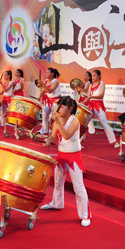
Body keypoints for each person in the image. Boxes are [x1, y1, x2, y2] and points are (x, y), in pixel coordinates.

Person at [41, 96, 91, 227]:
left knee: (78, 186)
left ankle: (85, 215)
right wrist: (48, 140)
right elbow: (53, 137)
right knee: (58, 182)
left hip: (74, 157)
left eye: (62, 106)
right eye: (59, 105)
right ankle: (56, 203)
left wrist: (57, 121)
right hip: (61, 155)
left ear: (70, 108)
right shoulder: (57, 121)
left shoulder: (74, 121)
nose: (59, 108)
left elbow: (67, 136)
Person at [84, 70, 119, 147]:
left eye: (94, 75)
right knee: (84, 123)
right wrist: (82, 104)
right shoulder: (90, 85)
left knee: (104, 123)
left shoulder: (102, 84)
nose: (92, 77)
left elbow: (101, 95)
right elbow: (88, 98)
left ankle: (115, 141)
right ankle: (78, 141)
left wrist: (91, 97)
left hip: (99, 106)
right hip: (91, 106)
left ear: (99, 76)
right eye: (92, 76)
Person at [38, 68, 62, 137]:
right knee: (44, 113)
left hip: (56, 101)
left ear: (52, 74)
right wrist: (39, 96)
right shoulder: (46, 81)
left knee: (53, 117)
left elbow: (49, 91)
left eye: (48, 72)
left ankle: (54, 132)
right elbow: (43, 91)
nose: (46, 74)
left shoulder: (56, 81)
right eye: (46, 72)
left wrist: (42, 84)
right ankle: (44, 130)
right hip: (49, 101)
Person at [75, 71, 94, 136]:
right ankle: (90, 129)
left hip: (86, 100)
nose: (84, 76)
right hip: (81, 99)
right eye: (83, 75)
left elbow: (85, 90)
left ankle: (91, 129)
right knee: (84, 116)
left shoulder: (89, 83)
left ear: (89, 77)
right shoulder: (83, 83)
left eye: (86, 75)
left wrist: (78, 88)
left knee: (86, 116)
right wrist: (77, 89)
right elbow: (81, 91)